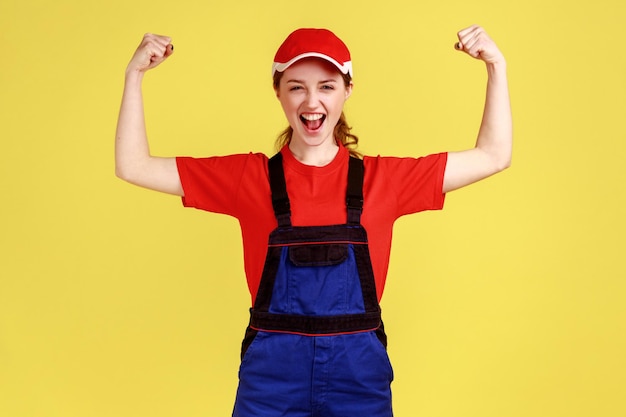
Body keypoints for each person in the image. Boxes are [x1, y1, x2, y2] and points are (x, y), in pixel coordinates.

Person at [115, 25, 512, 417]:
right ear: (278, 92)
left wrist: (496, 66)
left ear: (347, 90)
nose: (312, 101)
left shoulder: (383, 181)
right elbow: (132, 166)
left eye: (326, 86)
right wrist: (134, 76)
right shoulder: (247, 179)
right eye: (296, 86)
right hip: (270, 385)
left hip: (358, 380)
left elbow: (494, 155)